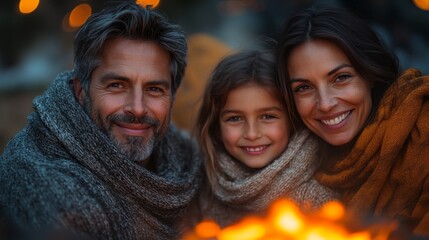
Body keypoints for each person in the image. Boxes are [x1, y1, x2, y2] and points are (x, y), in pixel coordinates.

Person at [0, 2, 202, 240]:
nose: (137, 108)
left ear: (172, 97)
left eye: (155, 89)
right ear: (81, 91)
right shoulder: (41, 186)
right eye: (117, 85)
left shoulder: (188, 163)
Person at [277, 6, 429, 236]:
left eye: (341, 78)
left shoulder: (421, 125)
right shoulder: (294, 165)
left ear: (369, 74)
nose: (325, 104)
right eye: (304, 87)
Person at [188, 47, 337, 228]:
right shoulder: (200, 189)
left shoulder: (315, 200)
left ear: (292, 120)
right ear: (215, 126)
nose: (251, 134)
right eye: (235, 118)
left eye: (267, 117)